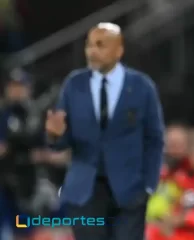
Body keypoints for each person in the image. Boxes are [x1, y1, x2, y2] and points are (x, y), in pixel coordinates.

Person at [45, 22, 164, 240]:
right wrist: (55, 134)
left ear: (119, 50)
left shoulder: (141, 86)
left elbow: (154, 139)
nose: (92, 51)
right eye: (89, 45)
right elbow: (60, 141)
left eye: (100, 45)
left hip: (130, 191)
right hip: (84, 191)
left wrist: (149, 184)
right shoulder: (74, 84)